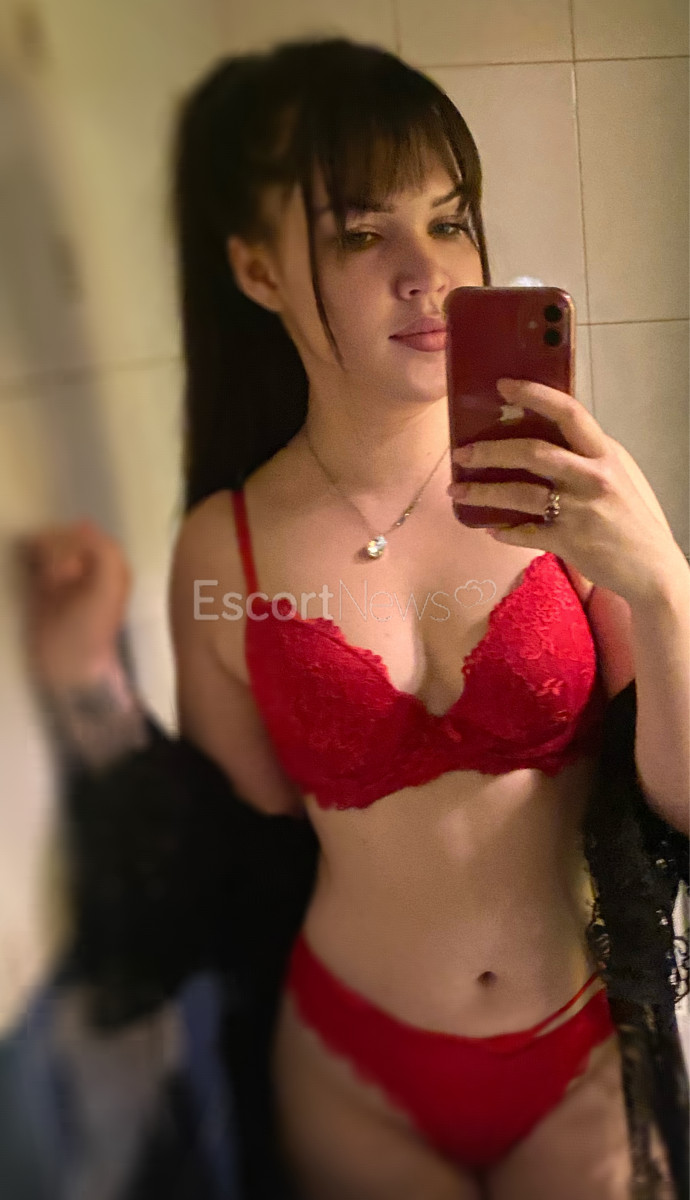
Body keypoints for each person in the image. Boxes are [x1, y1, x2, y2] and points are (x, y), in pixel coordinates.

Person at [15, 35, 690, 1200]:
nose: (429, 273)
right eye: (362, 234)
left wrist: (665, 587)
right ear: (257, 270)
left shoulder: (565, 489)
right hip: (350, 1072)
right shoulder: (225, 548)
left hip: (577, 1049)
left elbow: (680, 800)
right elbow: (227, 843)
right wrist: (84, 681)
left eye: (450, 219)